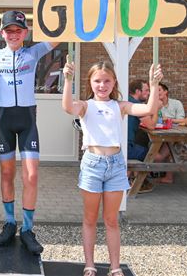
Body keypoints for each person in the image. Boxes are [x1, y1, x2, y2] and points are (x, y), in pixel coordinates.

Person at [62, 59, 162, 276]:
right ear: (90, 82)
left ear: (114, 82)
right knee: (89, 218)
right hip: (92, 165)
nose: (102, 85)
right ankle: (89, 264)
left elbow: (149, 107)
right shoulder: (85, 105)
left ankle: (114, 267)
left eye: (107, 80)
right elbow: (68, 107)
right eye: (97, 80)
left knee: (111, 220)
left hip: (116, 165)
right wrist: (68, 80)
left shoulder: (120, 106)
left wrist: (153, 85)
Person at [0, 10, 58, 255]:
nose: (13, 34)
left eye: (18, 30)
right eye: (9, 30)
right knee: (7, 174)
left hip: (27, 120)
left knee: (31, 175)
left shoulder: (34, 52)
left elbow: (58, 36)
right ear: (2, 33)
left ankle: (27, 229)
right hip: (4, 121)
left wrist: (64, 8)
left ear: (25, 33)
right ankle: (9, 222)